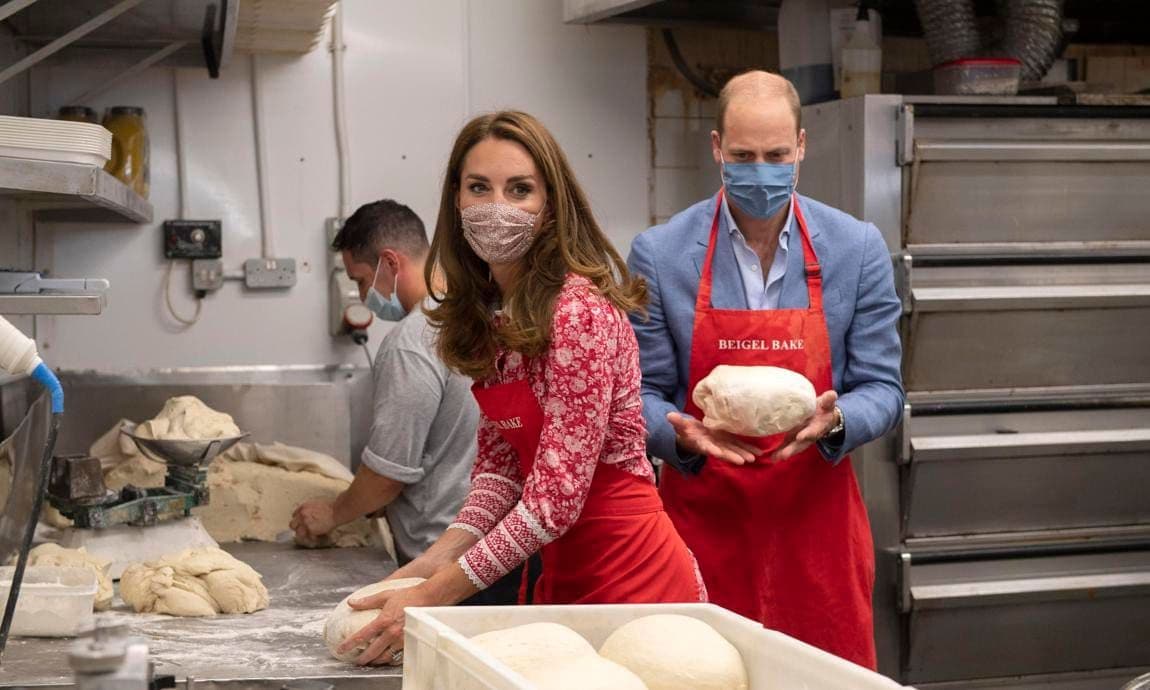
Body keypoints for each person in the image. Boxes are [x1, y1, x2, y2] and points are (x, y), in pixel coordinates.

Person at [336, 111, 706, 666]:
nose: (496, 207)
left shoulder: (579, 313)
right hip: (561, 573)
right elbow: (499, 473)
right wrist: (422, 568)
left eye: (520, 190)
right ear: (456, 201)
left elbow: (554, 502)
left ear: (549, 206)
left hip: (635, 579)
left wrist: (435, 597)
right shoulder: (491, 317)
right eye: (479, 188)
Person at [626, 71, 904, 669]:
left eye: (776, 155)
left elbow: (884, 387)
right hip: (702, 528)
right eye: (744, 155)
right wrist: (678, 432)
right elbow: (641, 391)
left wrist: (835, 423)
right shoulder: (661, 253)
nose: (761, 170)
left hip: (818, 531)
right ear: (716, 148)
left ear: (801, 146)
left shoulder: (856, 249)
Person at [290, 200, 479, 571]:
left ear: (391, 263)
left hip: (439, 560)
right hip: (490, 551)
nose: (363, 298)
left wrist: (332, 513)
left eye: (361, 280)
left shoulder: (412, 340)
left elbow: (388, 473)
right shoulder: (474, 313)